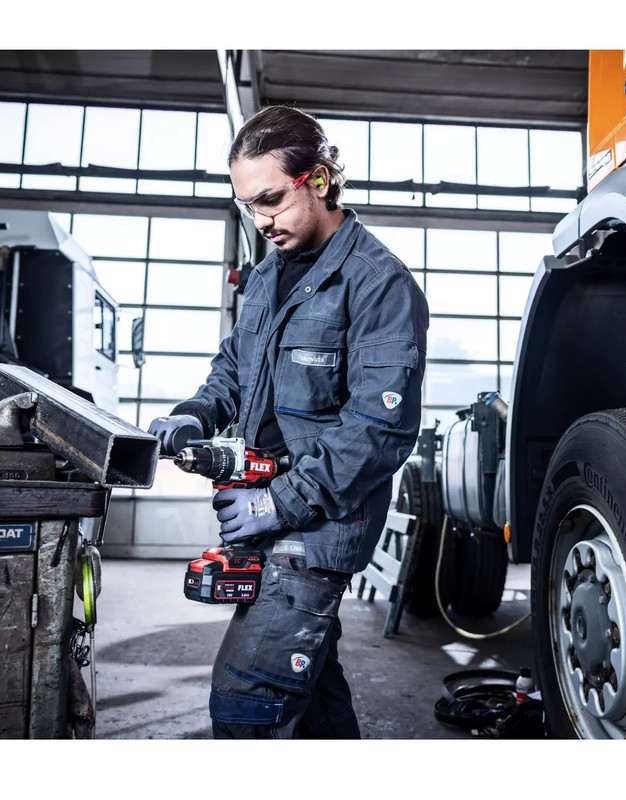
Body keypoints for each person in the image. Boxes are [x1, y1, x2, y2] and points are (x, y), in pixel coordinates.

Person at [148, 105, 429, 739]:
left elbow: (380, 430)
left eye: (271, 200)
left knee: (247, 701)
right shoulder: (269, 272)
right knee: (313, 703)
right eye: (248, 205)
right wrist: (195, 414)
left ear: (319, 179)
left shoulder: (378, 283)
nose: (261, 221)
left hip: (317, 527)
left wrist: (278, 502)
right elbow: (236, 365)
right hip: (263, 507)